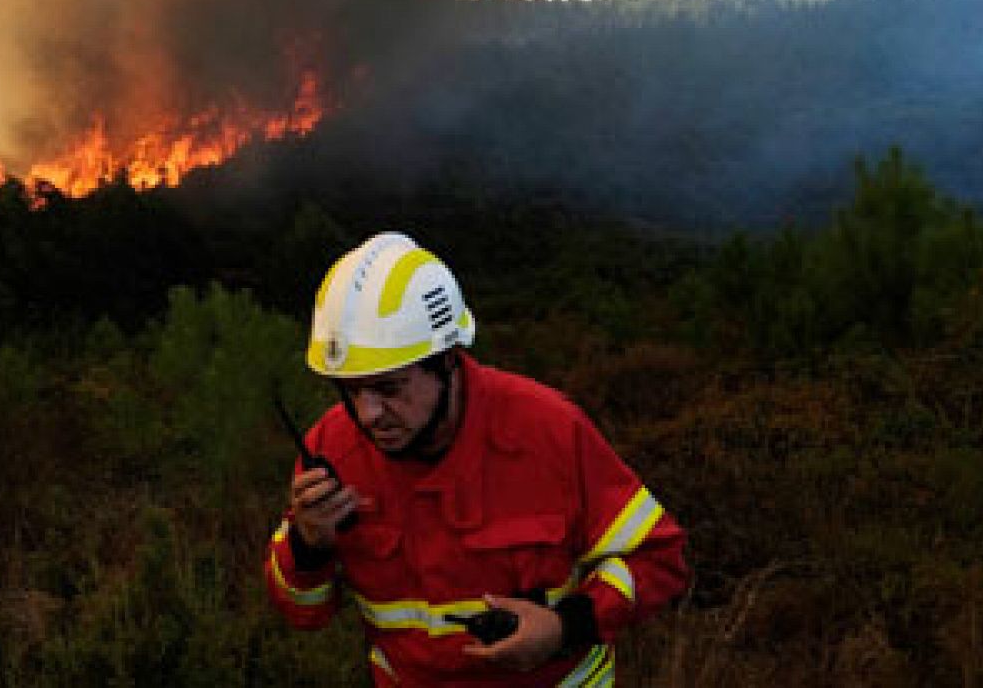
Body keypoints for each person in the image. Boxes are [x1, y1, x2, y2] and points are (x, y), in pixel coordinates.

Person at [264, 232, 689, 686]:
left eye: (390, 388)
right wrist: (309, 546)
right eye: (350, 390)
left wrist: (567, 626)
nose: (368, 414)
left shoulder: (548, 431)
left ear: (447, 361)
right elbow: (301, 613)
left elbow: (658, 558)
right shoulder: (330, 448)